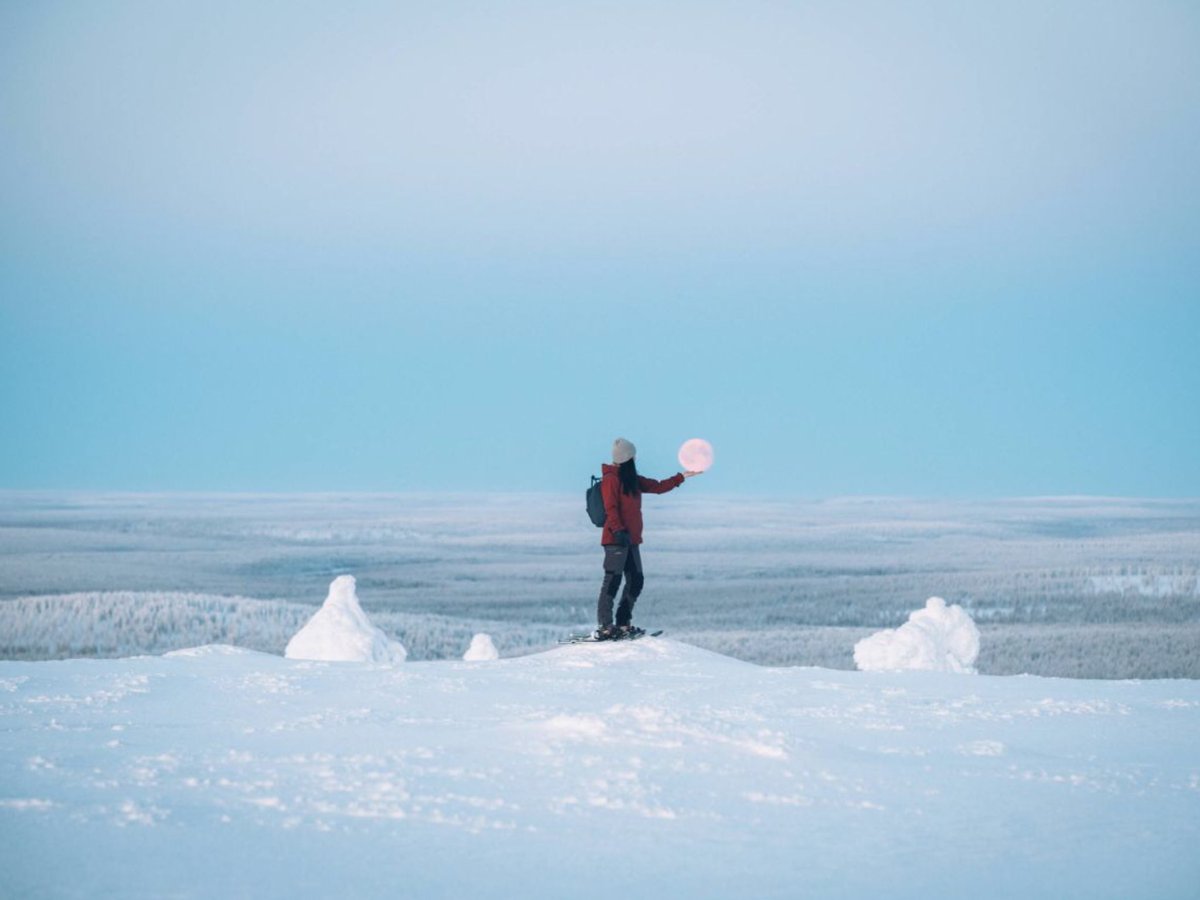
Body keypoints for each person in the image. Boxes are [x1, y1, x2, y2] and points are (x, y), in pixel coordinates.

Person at [595, 437, 701, 640]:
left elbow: (658, 487)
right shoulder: (611, 479)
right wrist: (618, 531)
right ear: (627, 458)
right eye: (633, 455)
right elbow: (611, 508)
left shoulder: (631, 479)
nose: (636, 458)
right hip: (616, 540)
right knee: (612, 581)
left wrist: (682, 477)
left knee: (636, 581)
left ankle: (623, 623)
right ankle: (605, 626)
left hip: (631, 540)